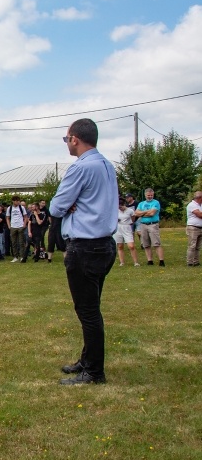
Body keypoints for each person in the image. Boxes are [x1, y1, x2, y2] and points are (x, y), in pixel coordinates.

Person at [50, 118, 117, 385]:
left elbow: (56, 207)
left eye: (67, 139)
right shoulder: (106, 165)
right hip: (104, 245)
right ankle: (87, 361)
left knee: (88, 312)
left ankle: (94, 373)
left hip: (86, 247)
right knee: (92, 307)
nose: (67, 144)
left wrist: (70, 204)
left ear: (75, 139)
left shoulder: (80, 168)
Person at [135, 188, 165, 266]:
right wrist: (146, 212)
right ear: (145, 195)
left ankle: (161, 260)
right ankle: (150, 260)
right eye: (148, 195)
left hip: (153, 224)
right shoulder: (141, 203)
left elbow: (152, 213)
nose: (150, 196)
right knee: (146, 244)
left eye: (151, 195)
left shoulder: (156, 202)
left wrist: (142, 213)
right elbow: (136, 213)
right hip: (143, 225)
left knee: (156, 243)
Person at [114, 197, 140, 267]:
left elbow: (133, 219)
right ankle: (122, 262)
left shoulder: (130, 211)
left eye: (121, 206)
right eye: (119, 207)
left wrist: (130, 223)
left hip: (127, 228)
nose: (120, 208)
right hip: (118, 228)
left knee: (131, 246)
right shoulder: (116, 211)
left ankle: (136, 262)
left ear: (124, 204)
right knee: (120, 246)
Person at [7, 196, 28, 262]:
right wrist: (9, 226)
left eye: (18, 201)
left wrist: (24, 224)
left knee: (21, 242)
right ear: (13, 201)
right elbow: (7, 217)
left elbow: (25, 216)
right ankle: (15, 256)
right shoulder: (9, 208)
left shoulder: (21, 208)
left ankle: (22, 256)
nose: (18, 202)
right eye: (16, 201)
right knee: (13, 242)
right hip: (13, 226)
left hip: (20, 226)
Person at [186, 191, 202, 266]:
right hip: (193, 228)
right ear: (199, 198)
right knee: (192, 245)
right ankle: (190, 261)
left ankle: (196, 261)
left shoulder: (200, 205)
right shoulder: (192, 205)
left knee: (198, 246)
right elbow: (199, 214)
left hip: (200, 227)